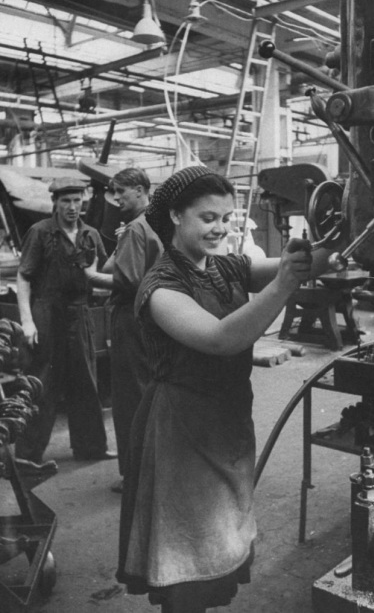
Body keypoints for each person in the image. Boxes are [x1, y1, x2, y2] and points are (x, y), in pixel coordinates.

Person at [116, 165, 329, 613]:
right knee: (185, 554)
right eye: (208, 217)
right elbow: (221, 339)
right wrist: (285, 282)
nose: (220, 228)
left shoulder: (224, 266)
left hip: (227, 419)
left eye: (226, 218)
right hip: (182, 430)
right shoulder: (160, 286)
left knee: (216, 542)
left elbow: (303, 263)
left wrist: (341, 241)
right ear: (176, 216)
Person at [15, 177, 116, 464]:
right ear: (55, 203)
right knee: (42, 383)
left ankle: (90, 448)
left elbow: (102, 273)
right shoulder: (40, 232)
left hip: (80, 312)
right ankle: (27, 454)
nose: (72, 207)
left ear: (83, 201)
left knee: (86, 381)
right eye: (66, 201)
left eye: (77, 200)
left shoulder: (91, 235)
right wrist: (27, 321)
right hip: (47, 312)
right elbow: (24, 276)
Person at [83, 168, 163, 491]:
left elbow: (126, 280)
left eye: (121, 192)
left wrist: (91, 276)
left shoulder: (135, 228)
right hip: (154, 315)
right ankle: (154, 470)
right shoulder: (158, 222)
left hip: (130, 317)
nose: (116, 199)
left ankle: (135, 475)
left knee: (130, 398)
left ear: (141, 190)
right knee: (148, 391)